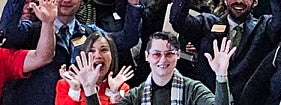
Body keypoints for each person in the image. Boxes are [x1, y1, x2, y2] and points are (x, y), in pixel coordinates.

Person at [1, 0, 146, 105]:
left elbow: (127, 39)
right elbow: (7, 30)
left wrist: (132, 1)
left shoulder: (90, 32)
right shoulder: (33, 29)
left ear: (82, 1)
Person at [98, 33, 234, 105]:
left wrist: (221, 76)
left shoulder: (193, 89)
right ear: (147, 56)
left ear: (178, 55)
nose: (163, 60)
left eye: (169, 54)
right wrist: (90, 88)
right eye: (157, 54)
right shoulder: (136, 95)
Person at [55, 33, 135, 105]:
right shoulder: (66, 85)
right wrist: (74, 90)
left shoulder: (121, 87)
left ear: (112, 56)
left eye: (104, 50)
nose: (97, 55)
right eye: (92, 51)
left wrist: (115, 95)